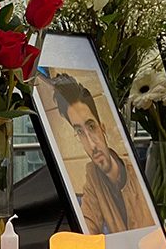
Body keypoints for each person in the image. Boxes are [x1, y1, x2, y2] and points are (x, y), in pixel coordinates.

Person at [50, 72, 153, 234]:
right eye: (80, 132)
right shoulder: (93, 176)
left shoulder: (134, 174)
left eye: (91, 127)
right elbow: (88, 225)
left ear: (102, 128)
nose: (92, 144)